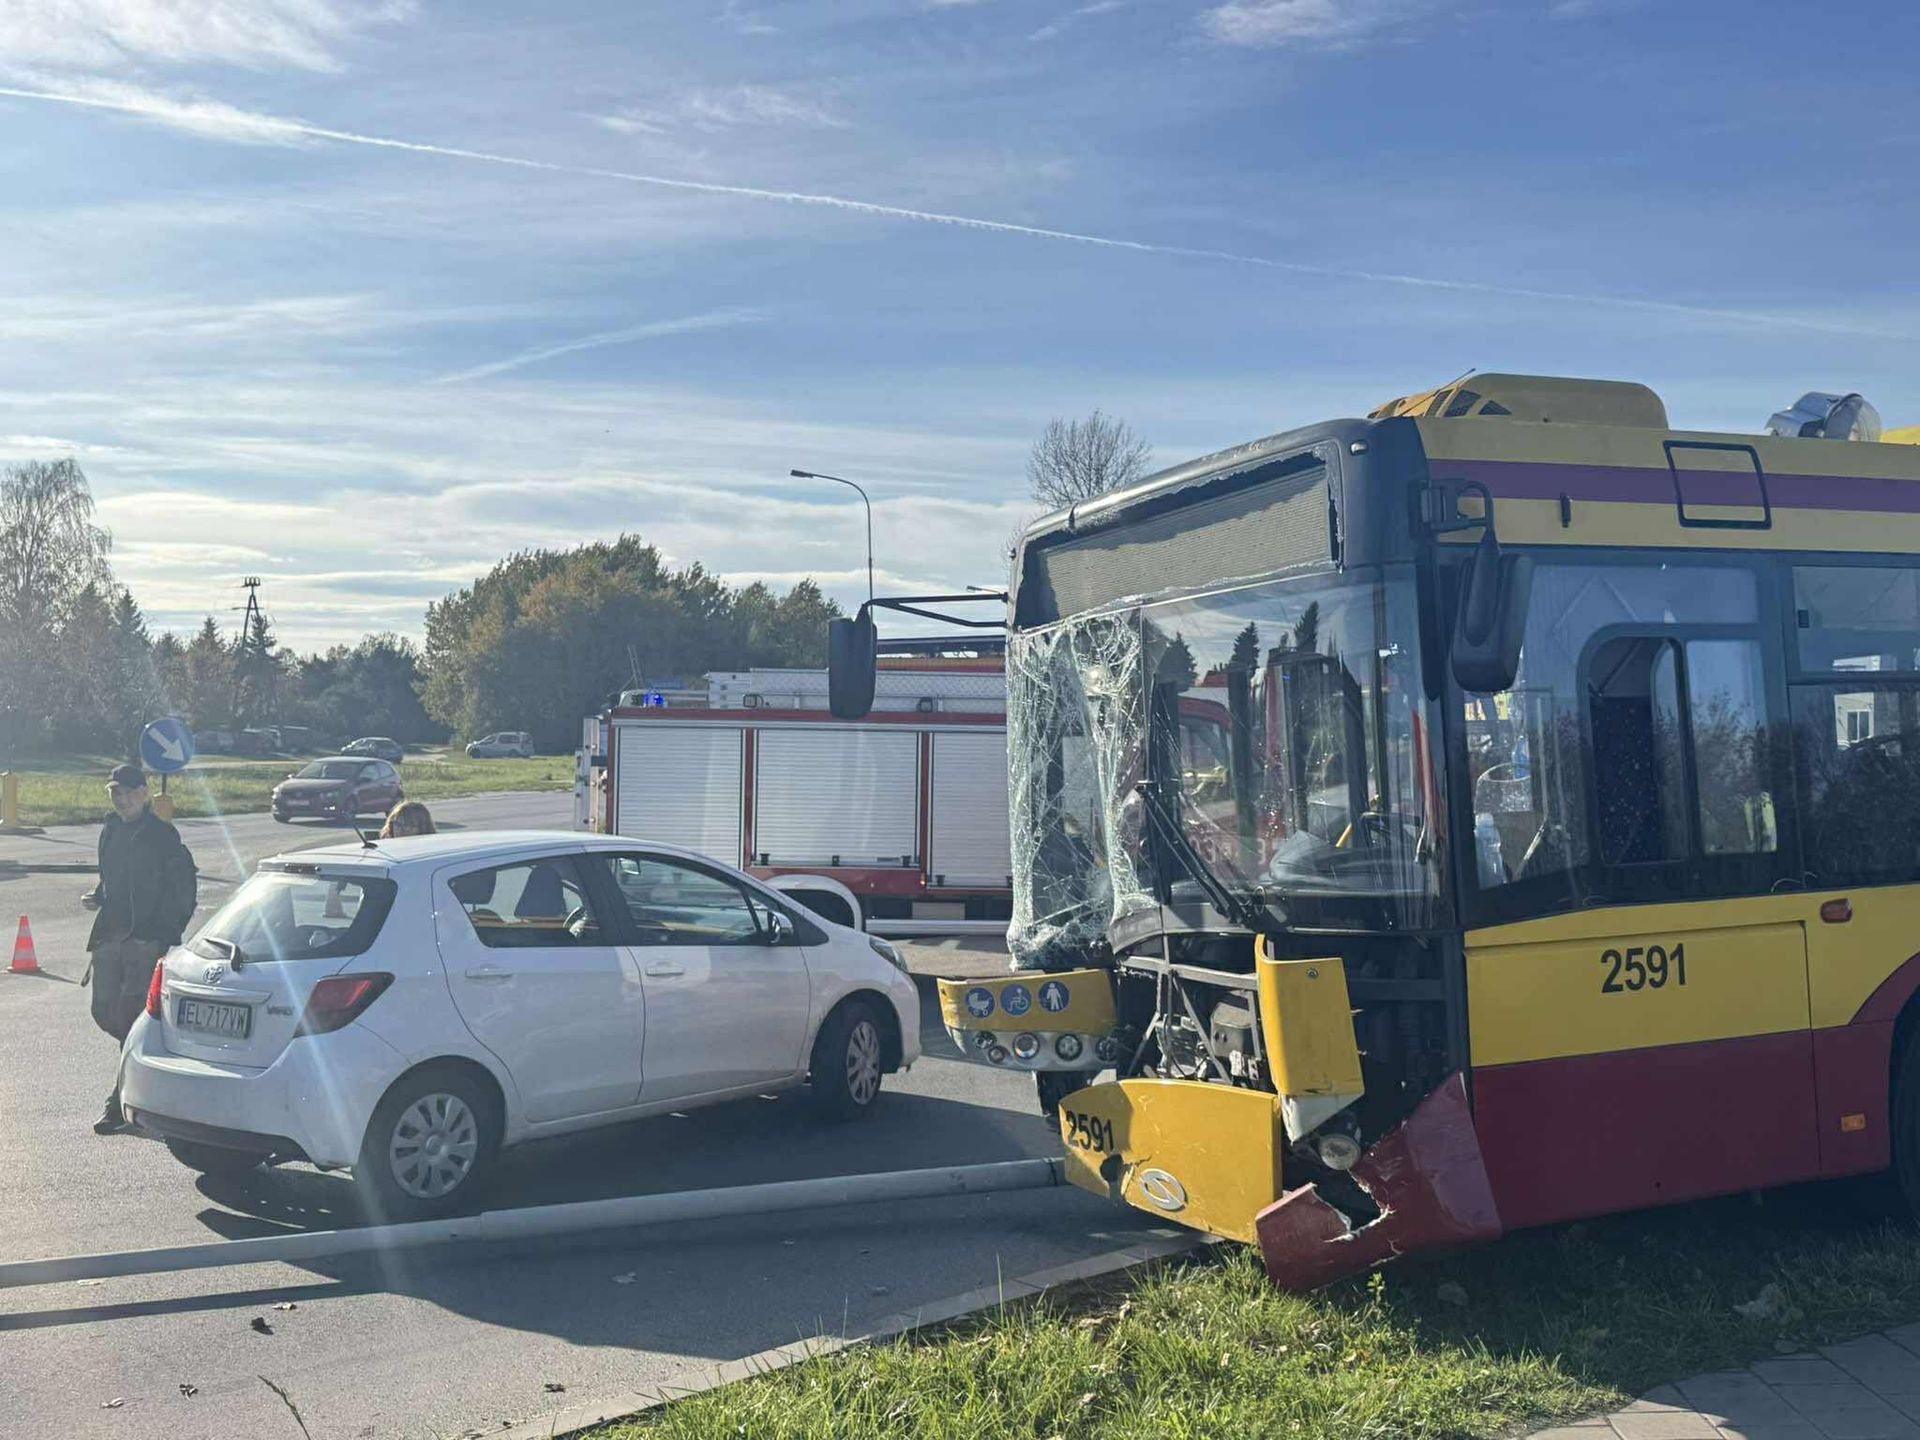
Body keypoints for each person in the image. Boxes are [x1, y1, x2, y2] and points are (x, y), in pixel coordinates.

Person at [82, 764, 197, 1135]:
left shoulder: (162, 835)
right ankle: (152, 1075)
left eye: (131, 792)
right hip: (110, 937)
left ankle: (121, 1098)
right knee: (104, 1012)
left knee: (133, 1015)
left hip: (145, 940)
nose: (123, 799)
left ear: (145, 794)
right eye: (116, 792)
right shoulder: (111, 831)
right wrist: (98, 895)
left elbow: (183, 890)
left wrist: (163, 933)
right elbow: (112, 880)